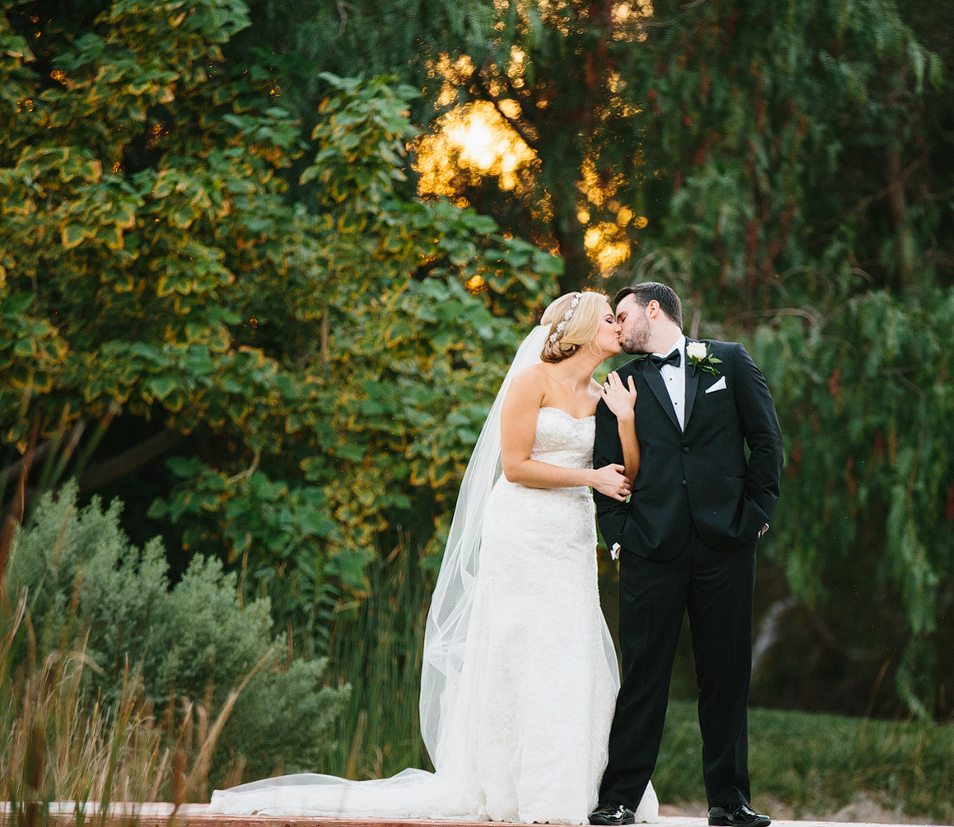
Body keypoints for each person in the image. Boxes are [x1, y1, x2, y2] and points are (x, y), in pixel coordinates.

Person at [209, 292, 658, 824]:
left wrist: (626, 420)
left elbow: (626, 476)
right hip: (522, 529)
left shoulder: (606, 393)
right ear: (584, 328)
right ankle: (511, 786)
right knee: (520, 644)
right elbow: (514, 467)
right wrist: (588, 477)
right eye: (610, 318)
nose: (619, 327)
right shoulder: (531, 380)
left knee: (568, 648)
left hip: (573, 536)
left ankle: (573, 789)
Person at [588, 283, 782, 827]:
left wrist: (756, 517)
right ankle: (619, 800)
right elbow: (608, 468)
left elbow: (766, 441)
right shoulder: (620, 383)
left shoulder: (731, 361)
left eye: (622, 316)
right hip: (651, 547)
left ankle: (729, 801)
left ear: (654, 309)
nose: (618, 328)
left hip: (726, 546)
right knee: (644, 675)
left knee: (725, 674)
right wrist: (619, 535)